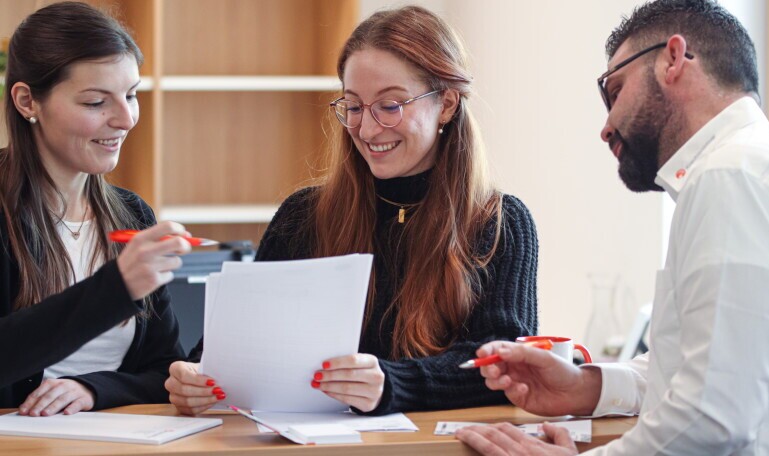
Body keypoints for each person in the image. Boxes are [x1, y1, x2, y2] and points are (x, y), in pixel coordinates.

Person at [456, 0, 769, 454]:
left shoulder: (731, 176)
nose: (605, 128)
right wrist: (585, 386)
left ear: (673, 59)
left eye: (614, 90)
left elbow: (712, 417)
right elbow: (700, 369)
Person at [165, 6, 538, 416]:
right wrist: (195, 375)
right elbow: (229, 349)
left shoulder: (500, 222)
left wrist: (392, 384)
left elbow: (504, 363)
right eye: (354, 106)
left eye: (390, 105)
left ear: (446, 104)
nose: (368, 129)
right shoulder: (302, 217)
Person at [0, 2, 191, 415]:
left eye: (131, 95)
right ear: (27, 101)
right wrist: (116, 288)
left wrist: (93, 389)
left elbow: (164, 369)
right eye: (94, 103)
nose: (125, 119)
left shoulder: (132, 214)